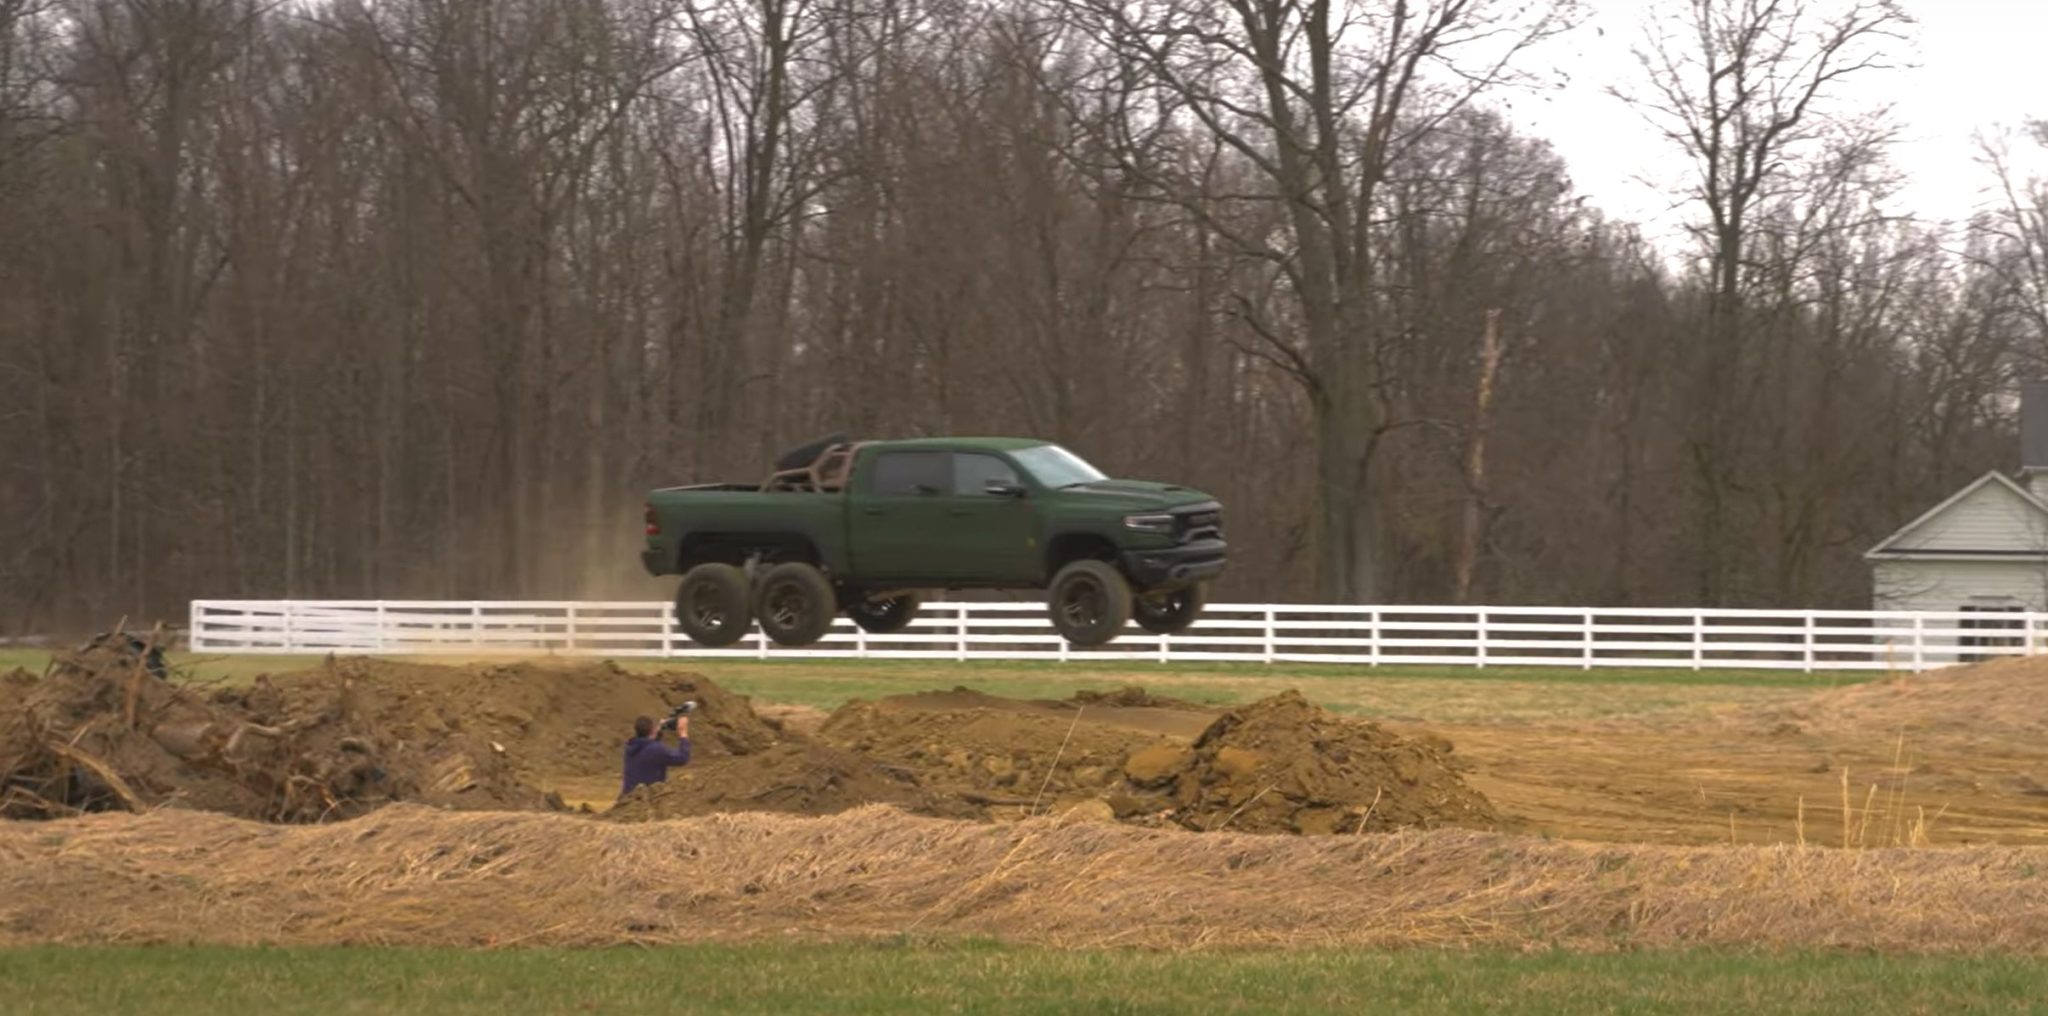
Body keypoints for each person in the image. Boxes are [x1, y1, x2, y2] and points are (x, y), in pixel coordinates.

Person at [619, 710, 692, 798]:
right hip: (646, 799)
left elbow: (649, 744)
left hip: (628, 798)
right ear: (653, 730)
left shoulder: (631, 746)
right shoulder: (656, 749)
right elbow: (682, 758)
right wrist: (683, 733)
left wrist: (659, 730)